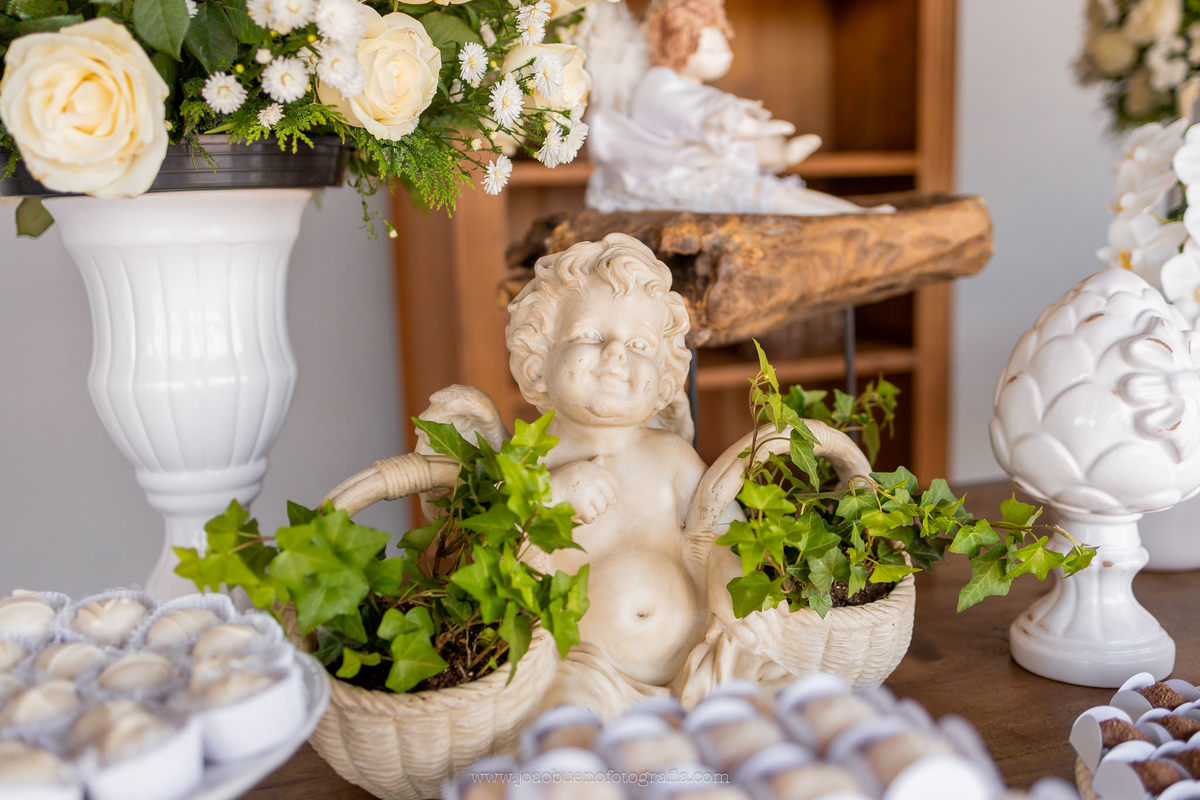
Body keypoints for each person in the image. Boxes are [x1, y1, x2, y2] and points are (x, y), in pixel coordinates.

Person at [506, 233, 780, 716]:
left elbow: (724, 535)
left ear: (664, 377)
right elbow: (497, 558)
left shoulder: (671, 456)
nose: (616, 353)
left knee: (780, 691)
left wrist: (728, 588)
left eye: (638, 344)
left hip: (697, 661)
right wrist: (551, 495)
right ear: (538, 358)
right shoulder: (529, 464)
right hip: (585, 671)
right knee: (561, 719)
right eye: (589, 336)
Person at [585, 0, 889, 216]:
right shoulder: (659, 86)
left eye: (724, 45)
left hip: (700, 170)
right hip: (672, 183)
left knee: (775, 193)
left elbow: (712, 126)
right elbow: (701, 117)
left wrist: (763, 142)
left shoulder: (684, 85)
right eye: (714, 49)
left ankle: (854, 213)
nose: (727, 55)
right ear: (679, 48)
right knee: (771, 197)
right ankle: (853, 216)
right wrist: (751, 128)